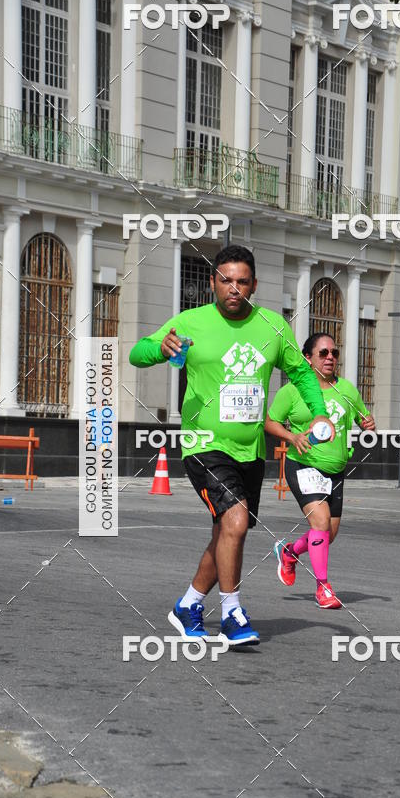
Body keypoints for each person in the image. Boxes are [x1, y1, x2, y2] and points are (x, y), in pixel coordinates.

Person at [129, 245, 334, 646]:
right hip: (204, 444)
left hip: (251, 450)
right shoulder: (190, 322)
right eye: (226, 280)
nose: (234, 288)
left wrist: (320, 412)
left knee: (228, 531)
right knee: (236, 522)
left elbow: (301, 373)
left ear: (254, 285)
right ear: (213, 283)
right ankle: (231, 613)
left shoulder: (273, 326)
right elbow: (138, 354)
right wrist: (160, 348)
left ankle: (188, 605)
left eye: (242, 281)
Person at [265, 332, 374, 609]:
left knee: (328, 534)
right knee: (320, 523)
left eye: (334, 353)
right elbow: (270, 422)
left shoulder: (347, 390)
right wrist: (292, 437)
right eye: (323, 353)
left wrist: (368, 423)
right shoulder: (292, 391)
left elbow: (363, 418)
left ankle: (289, 552)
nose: (330, 358)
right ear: (308, 358)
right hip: (303, 465)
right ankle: (323, 588)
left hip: (335, 470)